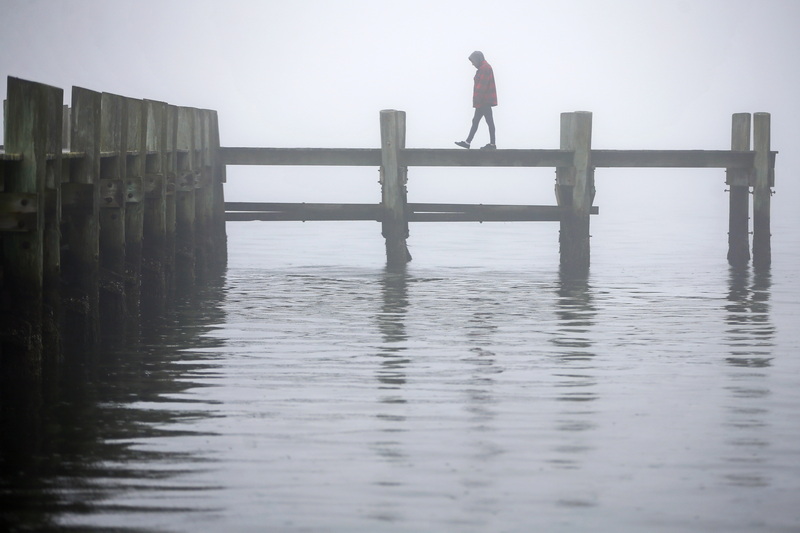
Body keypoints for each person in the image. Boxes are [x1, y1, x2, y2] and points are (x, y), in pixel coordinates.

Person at [455, 51, 497, 150]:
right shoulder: (483, 68)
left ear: (478, 59)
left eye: (473, 61)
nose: (472, 64)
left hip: (483, 101)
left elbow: (481, 86)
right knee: (476, 121)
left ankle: (492, 145)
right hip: (483, 100)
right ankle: (468, 142)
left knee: (488, 121)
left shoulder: (485, 68)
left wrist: (477, 100)